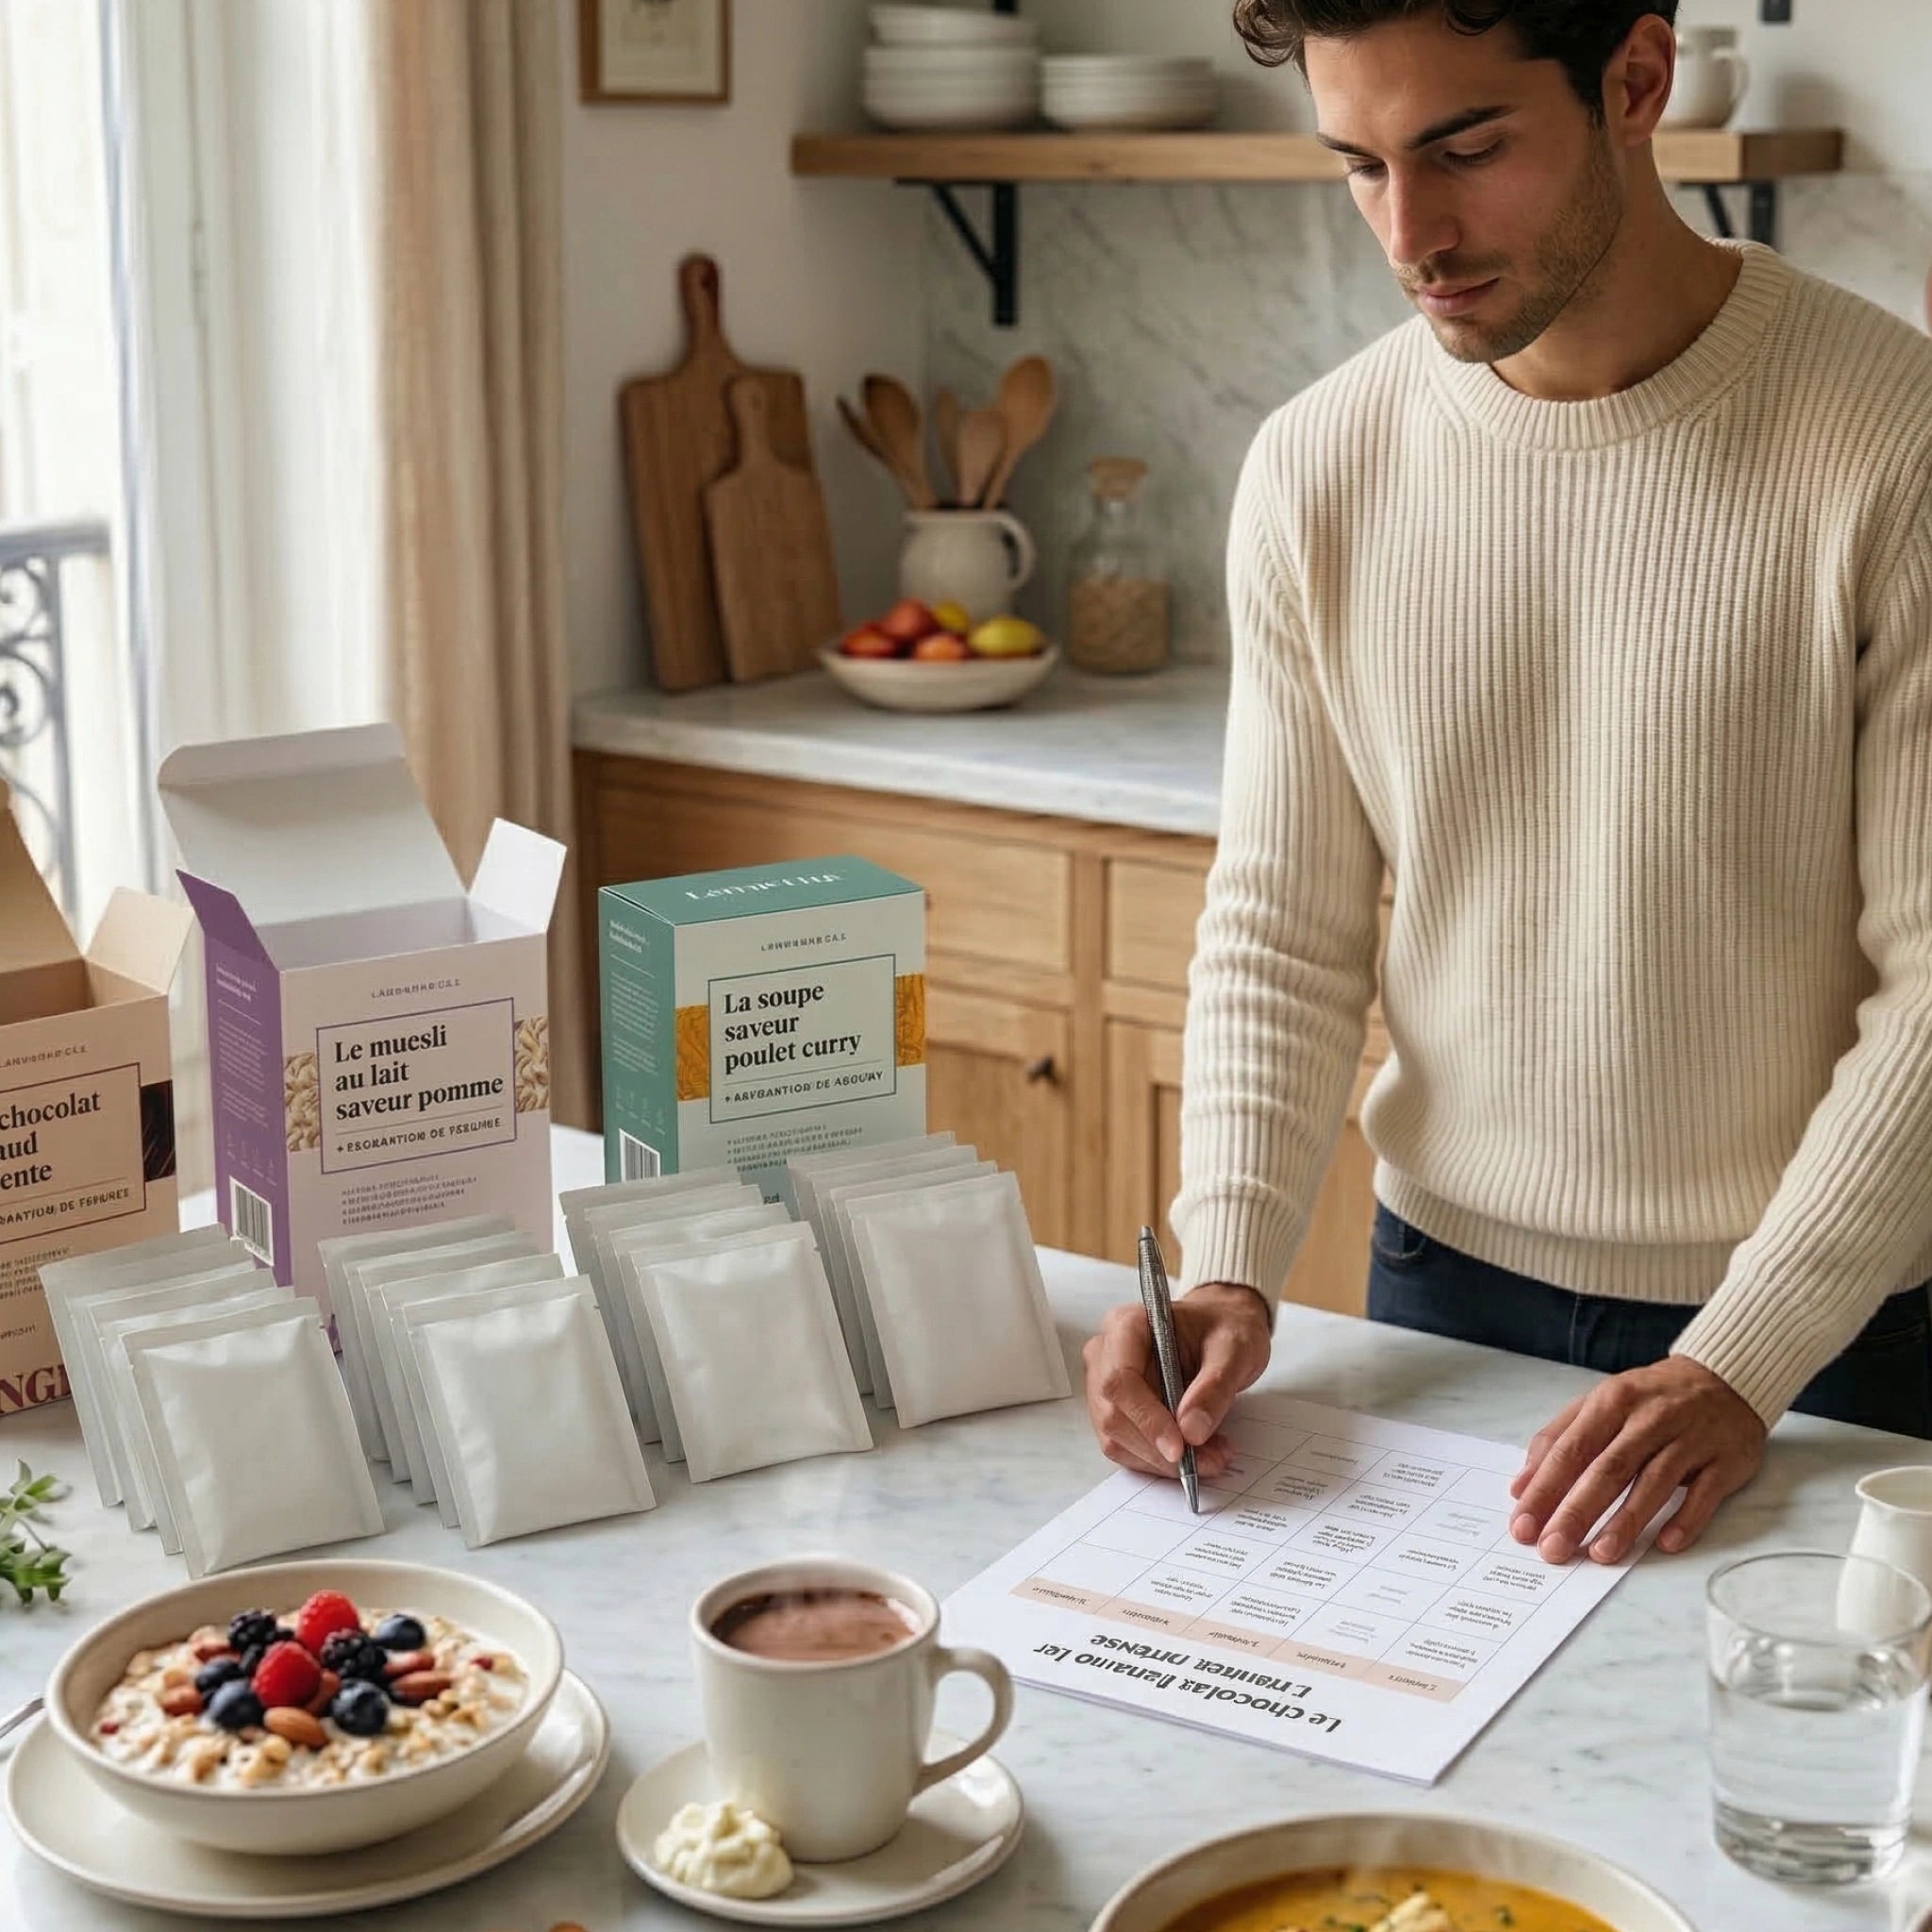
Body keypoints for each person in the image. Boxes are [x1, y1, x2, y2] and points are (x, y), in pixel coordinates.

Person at [1084, 0, 1932, 1568]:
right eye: (1358, 165)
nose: (1413, 232)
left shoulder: (1895, 440)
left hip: (1833, 1329)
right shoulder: (1317, 465)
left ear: (1635, 78)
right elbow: (1284, 925)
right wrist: (1223, 1263)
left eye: (1466, 148)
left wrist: (1743, 1357)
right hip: (1441, 1288)